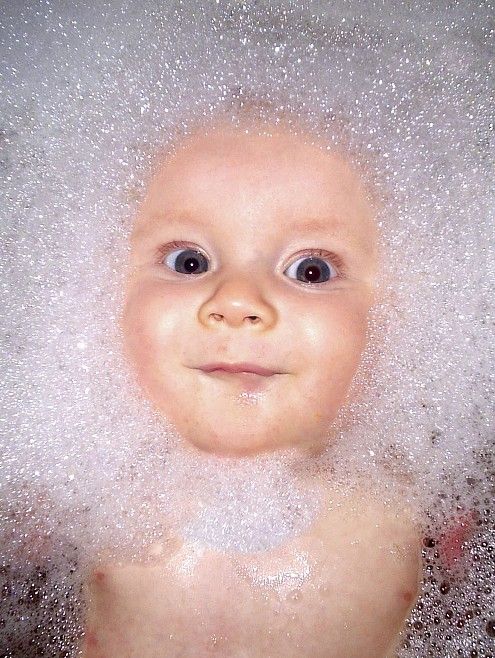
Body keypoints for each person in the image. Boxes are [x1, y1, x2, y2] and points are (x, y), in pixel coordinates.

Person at [81, 117, 422, 658]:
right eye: (189, 262)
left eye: (311, 270)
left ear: (398, 320)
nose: (238, 300)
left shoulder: (427, 510)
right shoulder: (69, 503)